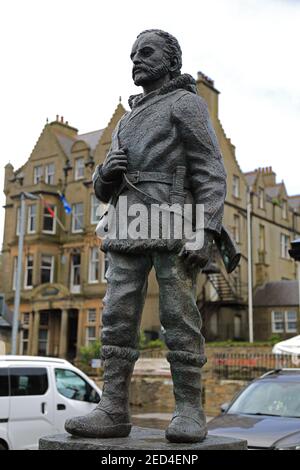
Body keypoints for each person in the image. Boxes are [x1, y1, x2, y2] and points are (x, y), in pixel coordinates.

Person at [65, 29, 227, 443]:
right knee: (116, 317)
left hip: (172, 222)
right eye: (133, 54)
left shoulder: (185, 103)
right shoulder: (127, 118)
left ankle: (190, 410)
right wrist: (106, 172)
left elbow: (210, 170)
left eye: (146, 52)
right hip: (126, 224)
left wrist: (205, 229)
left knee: (178, 317)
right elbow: (102, 190)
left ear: (171, 60)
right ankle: (113, 408)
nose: (136, 59)